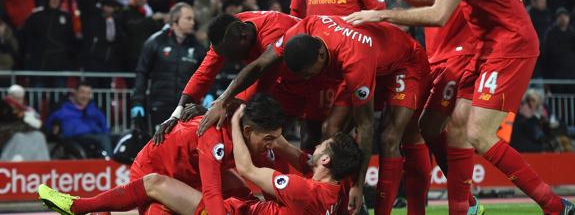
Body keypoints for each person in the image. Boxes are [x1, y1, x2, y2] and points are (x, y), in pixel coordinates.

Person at [341, 0, 574, 213]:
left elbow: (438, 14)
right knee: (436, 125)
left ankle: (554, 206)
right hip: (485, 47)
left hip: (510, 45)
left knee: (478, 134)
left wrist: (381, 15)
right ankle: (465, 207)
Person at [206, 15, 431, 215]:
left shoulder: (355, 61)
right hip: (370, 60)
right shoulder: (304, 27)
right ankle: (335, 201)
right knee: (330, 130)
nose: (306, 79)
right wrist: (223, 100)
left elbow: (365, 125)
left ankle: (371, 205)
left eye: (308, 73)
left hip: (404, 63)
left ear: (322, 55)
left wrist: (358, 186)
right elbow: (259, 65)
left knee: (389, 137)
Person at [38, 103, 362, 215]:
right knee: (233, 182)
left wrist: (235, 118)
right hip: (162, 160)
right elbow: (300, 159)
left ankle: (77, 206)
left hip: (230, 209)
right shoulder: (337, 193)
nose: (316, 147)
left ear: (327, 163)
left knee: (154, 186)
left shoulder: (302, 189)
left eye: (323, 147)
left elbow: (248, 169)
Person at [153, 11, 298, 145]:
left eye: (229, 55)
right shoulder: (230, 32)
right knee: (263, 139)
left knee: (291, 138)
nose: (228, 60)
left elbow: (261, 77)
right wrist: (176, 114)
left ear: (244, 37)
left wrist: (222, 104)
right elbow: (204, 73)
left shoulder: (275, 30)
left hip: (309, 80)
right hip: (282, 79)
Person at [130, 2, 206, 131]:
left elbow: (207, 73)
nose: (193, 22)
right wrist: (137, 101)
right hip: (159, 106)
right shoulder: (155, 42)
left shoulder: (197, 47)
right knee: (158, 145)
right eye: (188, 18)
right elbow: (142, 72)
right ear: (175, 20)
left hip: (187, 109)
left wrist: (210, 92)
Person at [45, 82, 112, 156]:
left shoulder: (94, 108)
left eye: (88, 93)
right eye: (82, 92)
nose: (85, 96)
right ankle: (110, 164)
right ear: (75, 93)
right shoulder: (63, 107)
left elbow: (104, 125)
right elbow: (49, 123)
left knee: (114, 138)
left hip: (95, 135)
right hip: (74, 137)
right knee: (103, 139)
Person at [0, 84, 50, 161]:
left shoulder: (28, 110)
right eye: (15, 97)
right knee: (19, 137)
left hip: (24, 130)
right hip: (7, 133)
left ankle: (43, 164)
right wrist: (24, 119)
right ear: (9, 96)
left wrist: (33, 122)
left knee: (39, 136)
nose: (17, 100)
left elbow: (40, 126)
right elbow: (8, 121)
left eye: (20, 98)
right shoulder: (3, 106)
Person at [542, 7, 575, 94]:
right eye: (561, 16)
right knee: (557, 101)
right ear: (557, 18)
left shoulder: (572, 33)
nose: (563, 18)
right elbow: (546, 56)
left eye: (565, 16)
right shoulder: (550, 33)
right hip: (556, 75)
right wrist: (546, 79)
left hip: (571, 75)